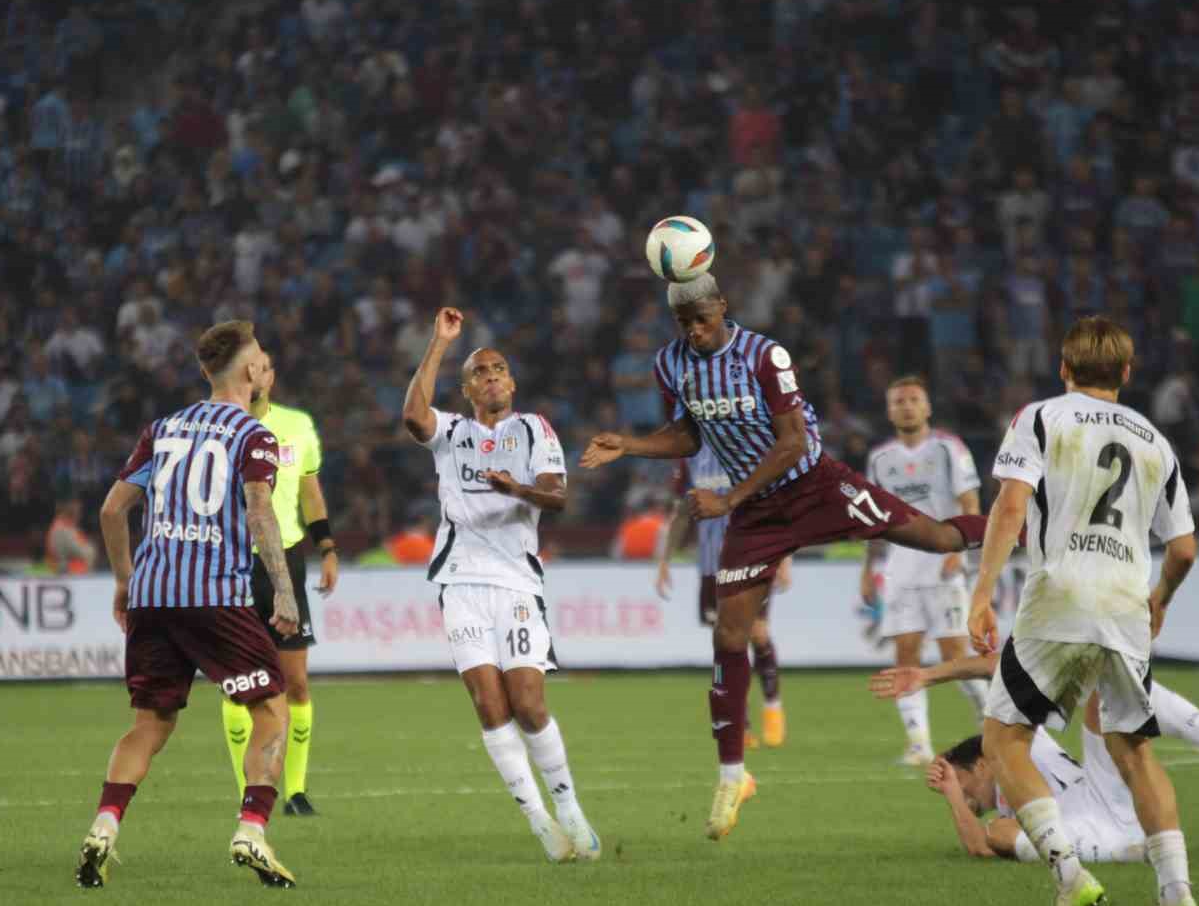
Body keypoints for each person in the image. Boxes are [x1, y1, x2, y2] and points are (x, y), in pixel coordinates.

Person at [581, 271, 986, 841]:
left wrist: (728, 498)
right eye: (684, 323)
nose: (695, 332)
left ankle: (1020, 525)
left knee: (940, 537)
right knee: (729, 634)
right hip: (756, 516)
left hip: (815, 487)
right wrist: (631, 445)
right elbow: (688, 435)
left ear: (723, 306)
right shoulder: (669, 363)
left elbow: (792, 439)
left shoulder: (765, 356)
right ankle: (732, 776)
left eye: (703, 319)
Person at [968, 315, 1199, 906]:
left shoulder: (1041, 417)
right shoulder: (1155, 440)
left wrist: (982, 593)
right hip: (1125, 602)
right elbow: (1183, 550)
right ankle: (1177, 895)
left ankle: (1070, 876)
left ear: (1063, 369)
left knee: (1003, 738)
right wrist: (1161, 601)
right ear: (1127, 373)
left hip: (1058, 598)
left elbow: (1011, 505)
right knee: (1135, 751)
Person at [76, 320, 301, 891]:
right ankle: (251, 829)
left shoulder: (163, 429)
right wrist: (283, 590)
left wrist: (126, 581)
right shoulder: (254, 436)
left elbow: (110, 510)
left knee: (149, 722)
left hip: (152, 592)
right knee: (272, 708)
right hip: (214, 595)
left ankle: (104, 825)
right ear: (251, 371)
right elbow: (258, 511)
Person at [402, 307, 599, 863]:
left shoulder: (533, 429)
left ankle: (569, 807)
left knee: (529, 703)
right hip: (461, 581)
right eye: (480, 371)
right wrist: (439, 343)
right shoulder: (453, 433)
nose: (491, 376)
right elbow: (414, 416)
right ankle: (539, 820)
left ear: (510, 383)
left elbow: (559, 496)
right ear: (466, 389)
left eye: (499, 369)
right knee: (489, 705)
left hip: (515, 583)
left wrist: (517, 488)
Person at [870, 654, 1199, 864]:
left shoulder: (1009, 740)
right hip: (1090, 829)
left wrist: (929, 675)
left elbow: (1001, 664)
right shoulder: (1005, 815)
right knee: (999, 835)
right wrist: (954, 794)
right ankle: (1124, 852)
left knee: (1105, 682)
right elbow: (978, 847)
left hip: (1106, 794)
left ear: (983, 763)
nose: (961, 795)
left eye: (960, 780)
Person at [220, 355, 340, 817]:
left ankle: (295, 790)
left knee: (296, 682)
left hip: (287, 559)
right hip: (231, 560)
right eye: (252, 366)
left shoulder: (297, 426)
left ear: (270, 376)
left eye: (267, 367)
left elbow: (310, 491)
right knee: (238, 686)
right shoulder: (219, 428)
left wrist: (327, 547)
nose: (260, 374)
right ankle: (245, 788)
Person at [859, 376, 986, 764]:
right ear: (889, 410)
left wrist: (960, 549)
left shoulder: (949, 448)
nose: (907, 406)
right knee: (906, 656)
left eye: (914, 400)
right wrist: (869, 568)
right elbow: (874, 517)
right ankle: (918, 745)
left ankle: (993, 722)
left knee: (955, 656)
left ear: (928, 407)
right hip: (900, 569)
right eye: (899, 401)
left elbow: (970, 501)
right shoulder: (880, 460)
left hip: (943, 568)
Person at [656, 450, 789, 750]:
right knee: (727, 642)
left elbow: (777, 503)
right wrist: (664, 560)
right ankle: (742, 723)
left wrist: (785, 557)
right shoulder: (690, 455)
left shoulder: (746, 446)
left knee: (757, 633)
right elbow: (681, 512)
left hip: (751, 557)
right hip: (709, 566)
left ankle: (772, 706)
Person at [45, 497, 96, 574]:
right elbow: (79, 552)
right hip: (71, 575)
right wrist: (90, 550)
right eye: (76, 505)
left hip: (79, 573)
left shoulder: (70, 527)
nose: (79, 510)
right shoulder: (60, 528)